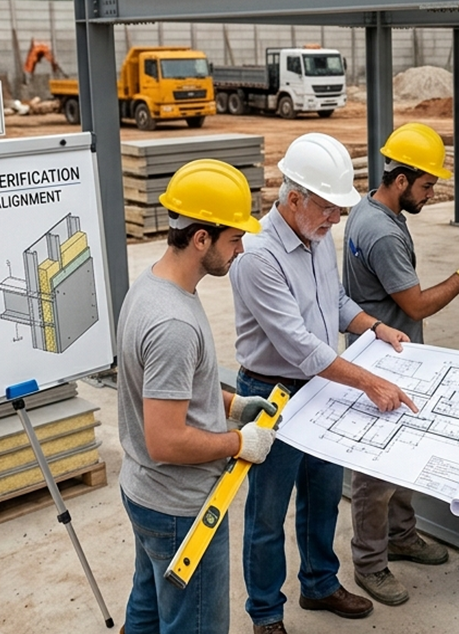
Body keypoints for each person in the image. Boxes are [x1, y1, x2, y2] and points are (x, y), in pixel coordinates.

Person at [231, 132, 421, 634]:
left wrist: (376, 327)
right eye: (328, 209)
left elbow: (333, 304)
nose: (336, 219)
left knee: (321, 495)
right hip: (271, 393)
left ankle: (318, 584)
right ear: (294, 199)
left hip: (318, 386)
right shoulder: (258, 256)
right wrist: (367, 381)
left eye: (339, 209)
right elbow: (298, 345)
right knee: (267, 514)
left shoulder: (317, 236)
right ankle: (267, 613)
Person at [116, 160, 276, 634]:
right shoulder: (174, 324)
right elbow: (166, 440)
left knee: (146, 610)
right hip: (179, 510)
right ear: (201, 238)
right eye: (234, 239)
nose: (241, 249)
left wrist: (231, 405)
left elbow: (169, 389)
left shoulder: (152, 287)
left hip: (144, 493)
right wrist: (237, 443)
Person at [342, 122, 459, 606]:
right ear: (401, 180)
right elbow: (417, 305)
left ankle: (402, 535)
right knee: (375, 470)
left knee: (401, 453)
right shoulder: (381, 232)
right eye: (427, 185)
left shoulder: (373, 210)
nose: (431, 194)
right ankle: (370, 563)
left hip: (395, 353)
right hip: (382, 358)